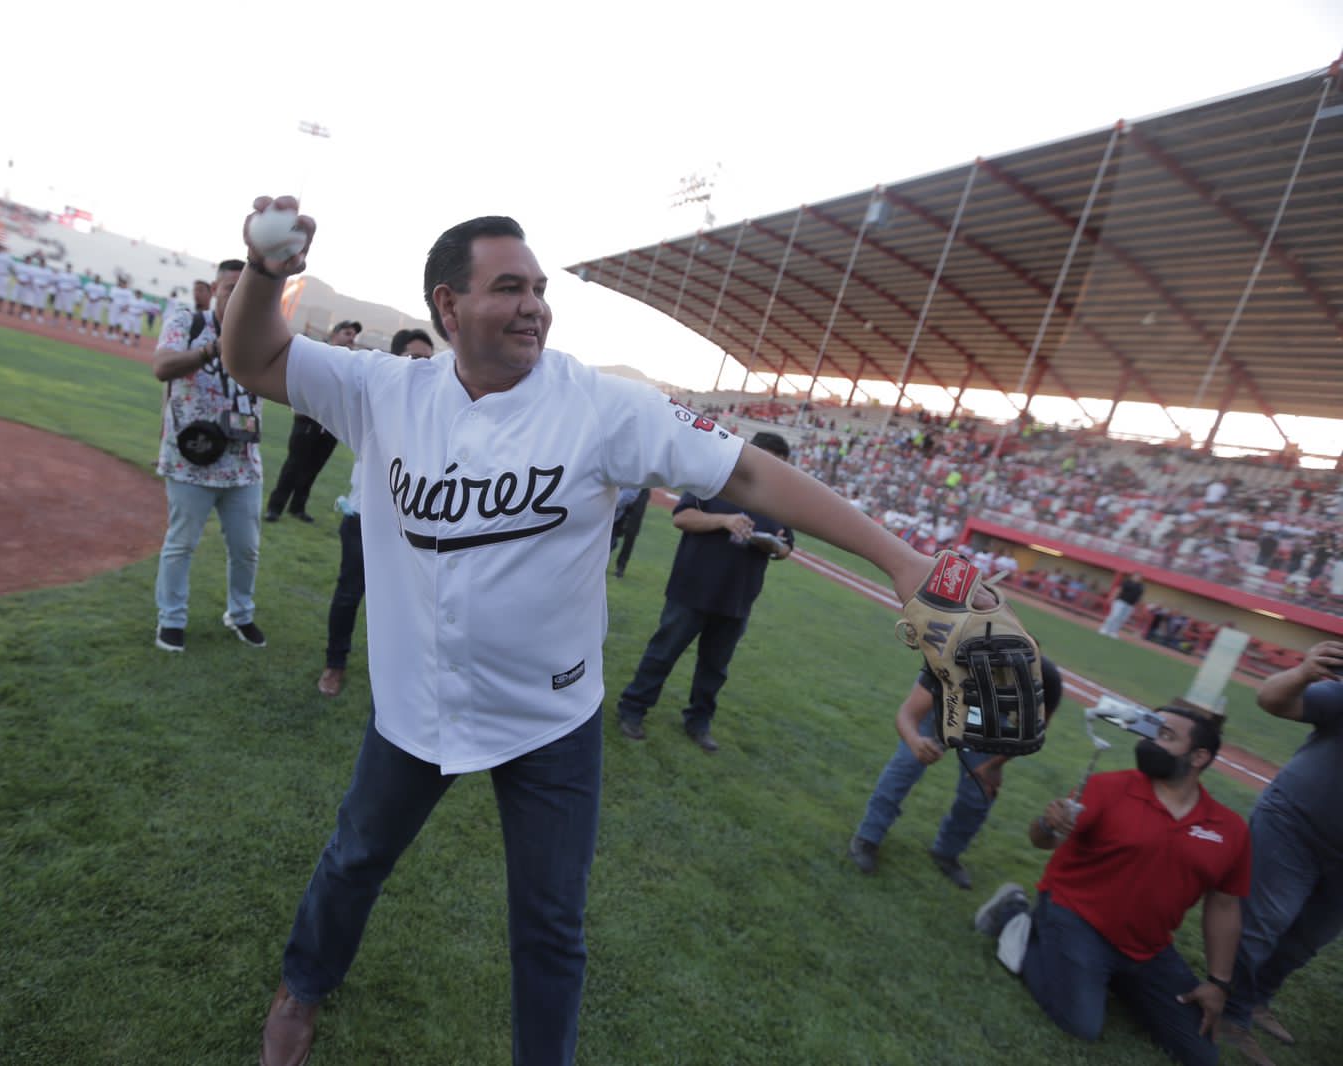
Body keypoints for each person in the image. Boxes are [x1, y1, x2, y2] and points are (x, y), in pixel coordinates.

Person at [221, 198, 941, 1066]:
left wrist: (901, 560)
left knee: (552, 925)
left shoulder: (602, 406)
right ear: (448, 305)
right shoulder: (385, 390)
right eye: (508, 288)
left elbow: (748, 472)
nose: (534, 305)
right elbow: (254, 356)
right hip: (418, 699)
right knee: (355, 858)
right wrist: (264, 272)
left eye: (539, 288)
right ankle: (302, 985)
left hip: (550, 718)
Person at [974, 705, 1249, 1066]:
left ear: (1199, 757)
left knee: (1201, 1054)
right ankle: (1014, 914)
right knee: (1082, 1023)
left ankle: (1107, 976)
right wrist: (1047, 823)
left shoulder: (1229, 829)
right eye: (1150, 732)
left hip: (1148, 948)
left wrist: (1218, 982)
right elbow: (1043, 840)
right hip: (1075, 916)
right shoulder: (1109, 787)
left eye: (1165, 736)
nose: (1150, 742)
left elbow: (1225, 905)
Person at [614, 432, 797, 754]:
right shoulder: (714, 480)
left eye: (779, 465)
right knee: (663, 653)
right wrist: (724, 520)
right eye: (768, 461)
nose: (772, 470)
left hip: (738, 597)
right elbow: (682, 517)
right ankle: (633, 708)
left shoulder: (777, 500)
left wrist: (776, 545)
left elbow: (786, 547)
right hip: (693, 587)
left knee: (715, 669)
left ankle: (699, 722)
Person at [1218, 640, 1343, 1065]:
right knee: (1261, 923)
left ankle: (1257, 1000)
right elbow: (1272, 699)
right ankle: (1230, 1014)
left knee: (1307, 939)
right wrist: (1304, 673)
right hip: (1295, 824)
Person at [849, 657, 1065, 889]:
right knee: (906, 765)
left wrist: (994, 766)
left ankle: (946, 852)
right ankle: (867, 837)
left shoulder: (1046, 680)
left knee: (979, 792)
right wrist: (915, 741)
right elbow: (907, 714)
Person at [151, 258, 265, 653]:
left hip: (243, 463)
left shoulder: (260, 331)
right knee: (181, 545)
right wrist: (215, 348)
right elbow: (162, 367)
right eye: (231, 288)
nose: (238, 295)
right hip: (191, 459)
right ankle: (171, 620)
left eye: (245, 289)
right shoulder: (187, 322)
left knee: (246, 549)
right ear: (215, 289)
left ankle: (241, 614)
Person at [316, 327, 436, 698]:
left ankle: (400, 675)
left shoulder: (438, 415)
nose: (423, 368)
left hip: (414, 530)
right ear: (393, 362)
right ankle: (335, 664)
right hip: (363, 521)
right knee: (349, 595)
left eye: (429, 361)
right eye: (414, 359)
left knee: (411, 606)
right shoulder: (374, 405)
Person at [263, 320, 360, 523]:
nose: (351, 339)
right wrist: (298, 408)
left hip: (331, 427)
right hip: (308, 421)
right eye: (347, 333)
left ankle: (298, 508)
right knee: (293, 466)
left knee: (313, 469)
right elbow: (301, 381)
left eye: (353, 335)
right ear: (335, 334)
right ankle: (275, 508)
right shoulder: (320, 356)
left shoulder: (351, 365)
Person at [608, 486, 650, 578]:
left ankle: (621, 567)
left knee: (631, 532)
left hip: (642, 488)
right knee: (614, 524)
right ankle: (605, 558)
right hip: (628, 485)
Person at [1100, 571, 1146, 638]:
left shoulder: (1141, 587)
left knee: (1122, 619)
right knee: (1114, 615)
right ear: (1132, 576)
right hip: (1120, 602)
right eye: (1136, 576)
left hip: (1130, 605)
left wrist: (1138, 607)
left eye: (1139, 577)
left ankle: (1113, 632)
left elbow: (1139, 597)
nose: (1138, 578)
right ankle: (1105, 628)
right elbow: (1118, 590)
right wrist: (1112, 597)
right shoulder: (1126, 582)